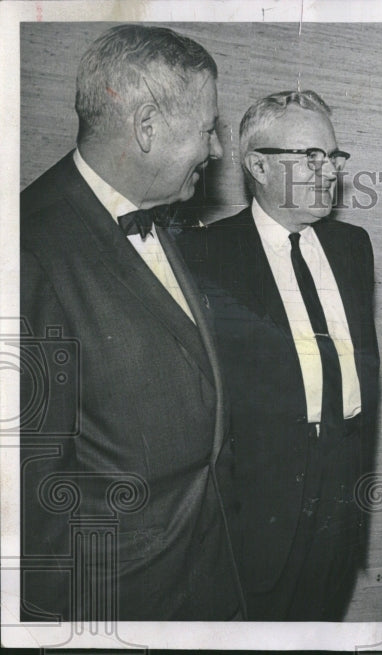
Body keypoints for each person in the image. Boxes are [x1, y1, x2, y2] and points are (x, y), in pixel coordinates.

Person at [19, 24, 242, 620]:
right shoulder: (27, 252)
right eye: (208, 129)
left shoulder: (158, 215)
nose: (218, 150)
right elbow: (26, 505)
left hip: (204, 582)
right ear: (146, 127)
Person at [178, 90, 379, 621]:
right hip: (258, 512)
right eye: (308, 157)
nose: (327, 171)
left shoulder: (353, 245)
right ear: (258, 165)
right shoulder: (205, 254)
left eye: (333, 157)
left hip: (341, 498)